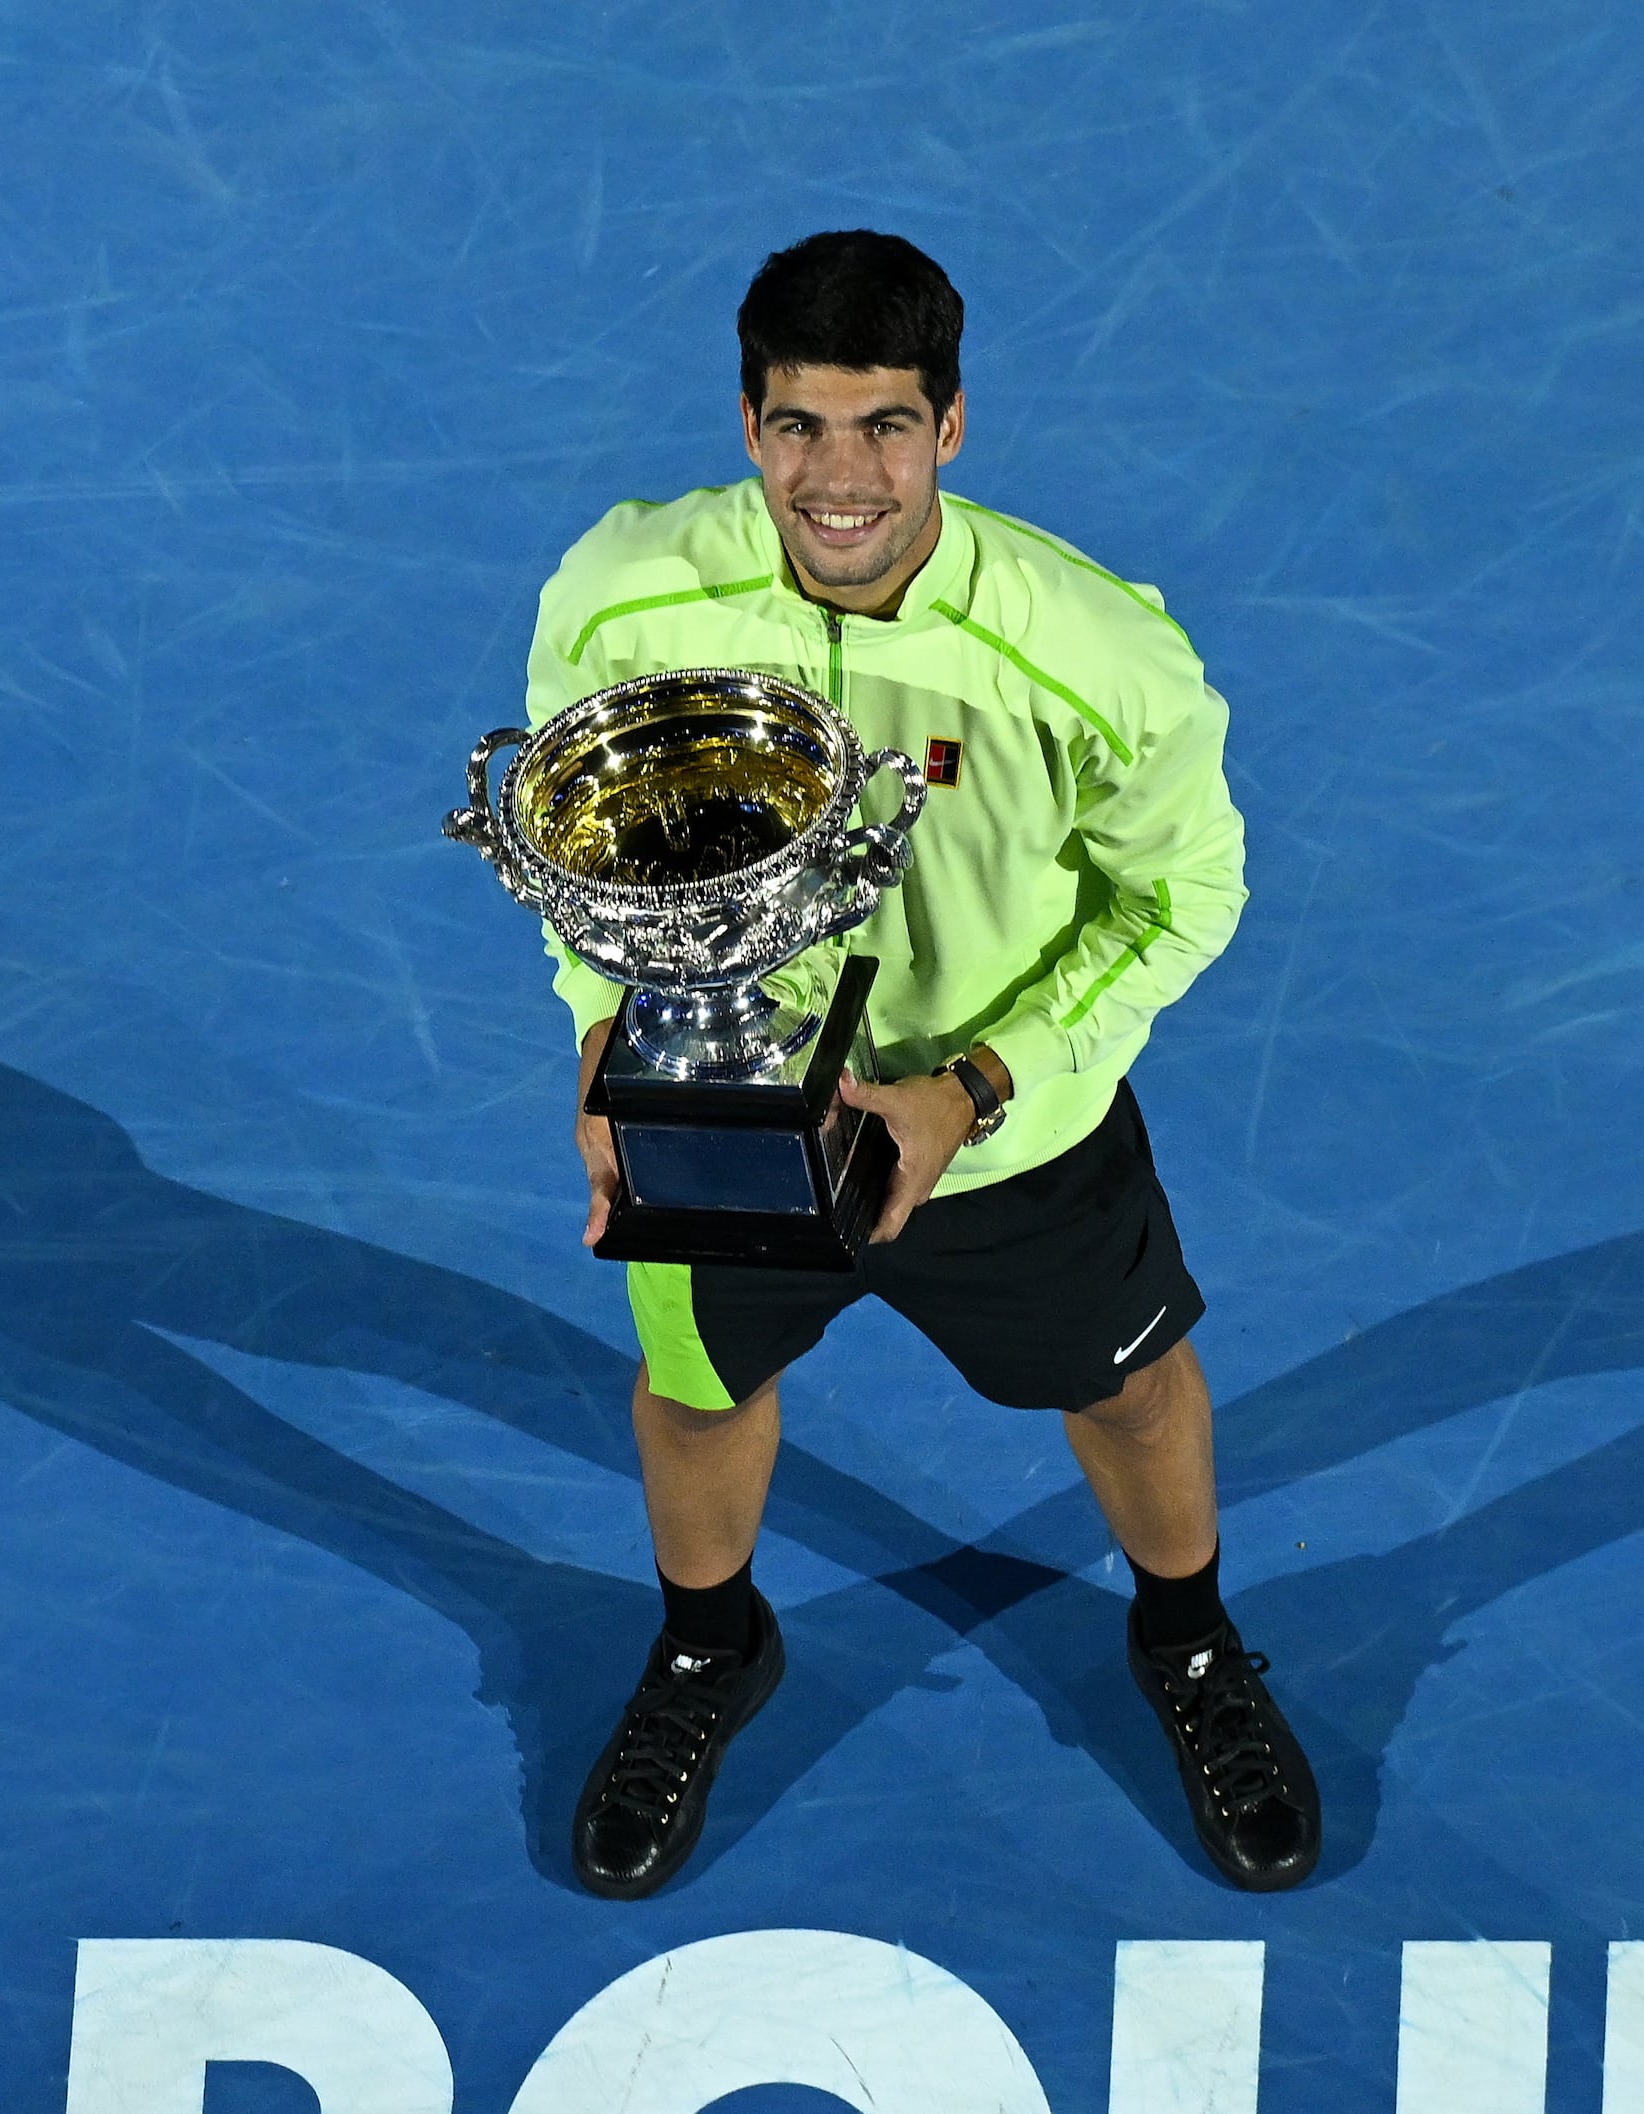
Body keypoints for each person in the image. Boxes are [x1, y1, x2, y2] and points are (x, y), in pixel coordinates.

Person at [524, 228, 1319, 1898]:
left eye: (884, 425)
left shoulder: (1096, 652)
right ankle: (709, 1646)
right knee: (697, 1386)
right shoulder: (622, 596)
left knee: (1128, 1381)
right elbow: (581, 848)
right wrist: (608, 1031)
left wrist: (978, 1086)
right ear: (748, 423)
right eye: (799, 426)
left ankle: (1185, 1639)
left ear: (951, 427)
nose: (840, 477)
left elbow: (1189, 895)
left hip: (1004, 1129)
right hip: (727, 1099)